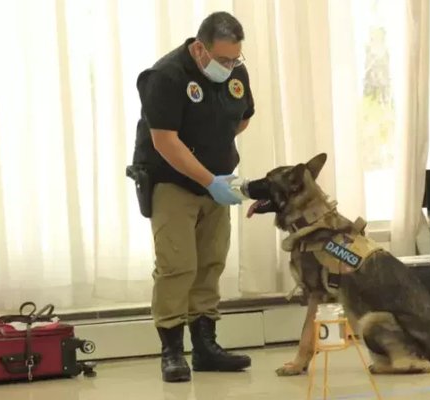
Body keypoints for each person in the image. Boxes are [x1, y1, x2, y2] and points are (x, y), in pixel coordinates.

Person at [128, 12, 254, 382]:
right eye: (222, 59)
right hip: (172, 182)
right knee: (177, 265)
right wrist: (207, 178)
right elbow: (165, 141)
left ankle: (205, 347)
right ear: (200, 49)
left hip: (217, 179)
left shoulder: (235, 72)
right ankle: (172, 351)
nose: (229, 67)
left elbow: (243, 116)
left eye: (235, 60)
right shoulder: (165, 76)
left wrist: (215, 154)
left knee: (211, 262)